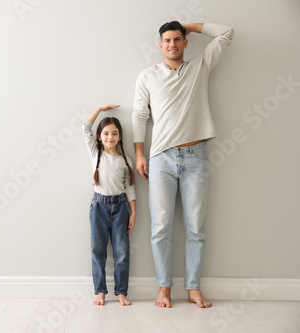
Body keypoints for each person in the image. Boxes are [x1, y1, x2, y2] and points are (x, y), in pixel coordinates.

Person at [131, 21, 234, 308]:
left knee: (195, 229)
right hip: (160, 158)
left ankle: (193, 289)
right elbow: (139, 115)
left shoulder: (200, 67)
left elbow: (226, 32)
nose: (173, 44)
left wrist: (188, 25)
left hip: (196, 157)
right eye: (167, 40)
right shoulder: (148, 76)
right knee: (160, 227)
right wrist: (140, 154)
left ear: (185, 42)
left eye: (178, 39)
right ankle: (164, 289)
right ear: (160, 45)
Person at [83, 104, 137, 306]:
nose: (110, 137)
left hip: (121, 207)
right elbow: (85, 128)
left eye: (114, 133)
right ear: (99, 137)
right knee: (98, 250)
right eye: (105, 133)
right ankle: (100, 292)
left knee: (122, 252)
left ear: (120, 137)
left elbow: (130, 188)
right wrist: (99, 109)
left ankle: (121, 292)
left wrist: (133, 212)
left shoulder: (126, 160)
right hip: (99, 206)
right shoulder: (96, 154)